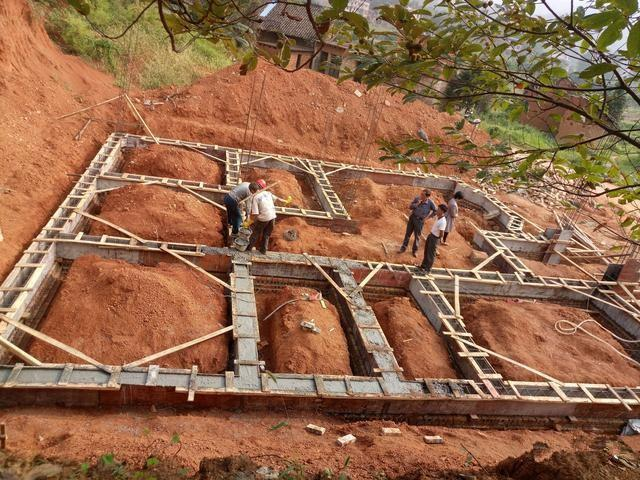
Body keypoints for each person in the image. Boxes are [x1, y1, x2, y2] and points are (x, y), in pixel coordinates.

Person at [399, 189, 437, 257]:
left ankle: (414, 250)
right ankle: (403, 247)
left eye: (423, 195)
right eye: (421, 194)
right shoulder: (417, 199)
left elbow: (435, 211)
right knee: (408, 234)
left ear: (427, 197)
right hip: (412, 218)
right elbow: (410, 207)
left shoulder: (430, 203)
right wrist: (417, 203)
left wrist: (427, 218)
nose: (421, 196)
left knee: (417, 236)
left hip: (420, 221)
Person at [246, 187, 277, 254]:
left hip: (264, 217)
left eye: (251, 191)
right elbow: (275, 199)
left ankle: (248, 248)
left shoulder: (255, 198)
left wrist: (251, 222)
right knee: (267, 234)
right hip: (273, 216)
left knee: (256, 232)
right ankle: (263, 250)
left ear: (252, 190)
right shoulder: (267, 192)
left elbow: (255, 214)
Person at [419, 204, 448, 274]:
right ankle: (423, 266)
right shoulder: (438, 217)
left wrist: (437, 239)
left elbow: (441, 234)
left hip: (435, 238)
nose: (437, 210)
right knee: (426, 251)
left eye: (438, 209)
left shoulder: (443, 222)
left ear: (442, 211)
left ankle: (427, 270)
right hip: (431, 235)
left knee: (431, 254)